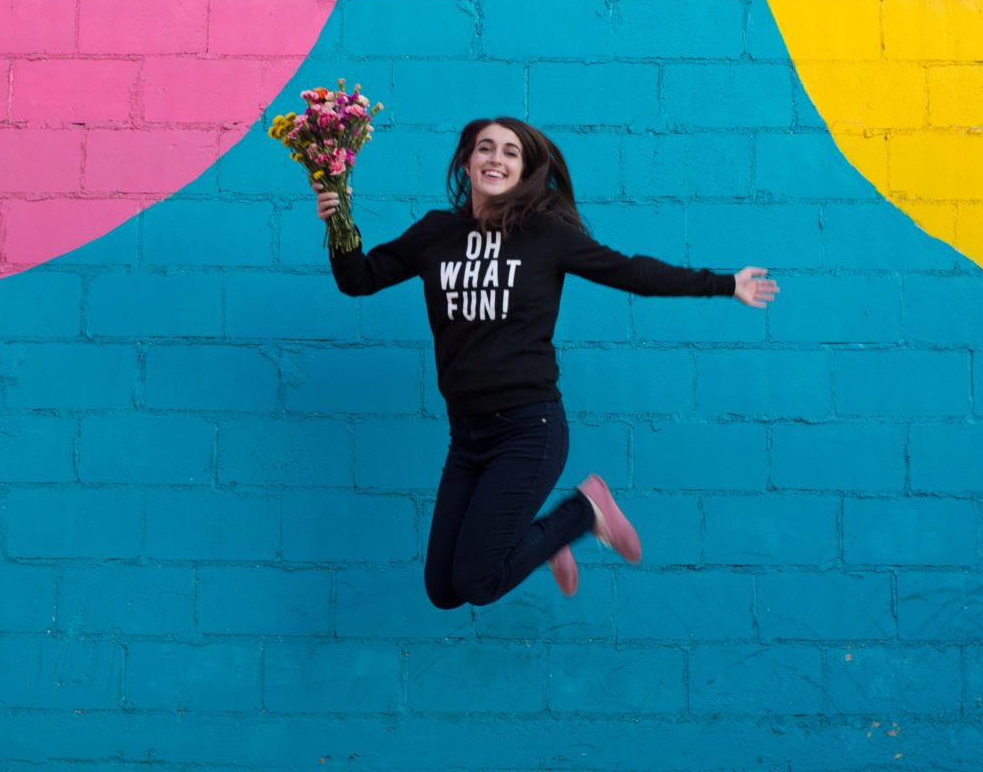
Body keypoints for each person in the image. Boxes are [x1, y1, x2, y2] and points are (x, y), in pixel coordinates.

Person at [314, 117, 778, 609]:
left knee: (477, 582)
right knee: (444, 590)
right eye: (485, 149)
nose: (496, 158)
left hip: (527, 429)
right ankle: (551, 539)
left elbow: (632, 273)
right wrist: (338, 223)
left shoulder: (544, 236)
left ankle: (583, 510)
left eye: (510, 152)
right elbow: (358, 279)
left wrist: (726, 284)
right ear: (466, 162)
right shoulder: (436, 233)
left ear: (523, 169)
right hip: (466, 437)